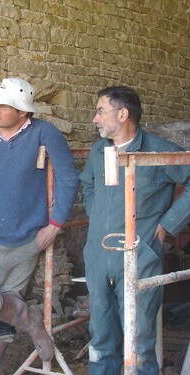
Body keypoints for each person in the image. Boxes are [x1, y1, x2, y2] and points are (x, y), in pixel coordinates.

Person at [0, 77, 80, 374]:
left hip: (24, 241)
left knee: (0, 318)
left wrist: (56, 224)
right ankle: (28, 318)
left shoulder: (44, 133)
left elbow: (69, 178)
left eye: (4, 105)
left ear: (23, 112)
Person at [81, 86, 190, 374]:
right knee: (101, 339)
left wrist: (169, 223)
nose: (95, 118)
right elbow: (88, 184)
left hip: (139, 254)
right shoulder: (98, 150)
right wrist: (96, 213)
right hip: (98, 254)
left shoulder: (157, 151)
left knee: (139, 342)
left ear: (123, 113)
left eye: (101, 111)